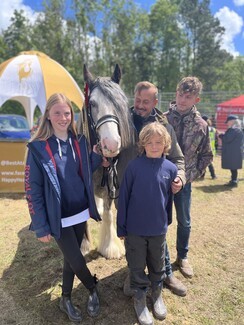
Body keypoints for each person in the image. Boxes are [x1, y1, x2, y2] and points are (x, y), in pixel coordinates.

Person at [24, 93, 107, 322]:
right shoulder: (37, 149)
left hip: (80, 210)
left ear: (72, 115)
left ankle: (66, 297)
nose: (63, 117)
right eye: (57, 113)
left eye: (67, 113)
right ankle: (92, 287)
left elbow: (84, 170)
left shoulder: (79, 141)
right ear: (48, 116)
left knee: (71, 259)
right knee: (76, 258)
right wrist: (41, 226)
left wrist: (98, 158)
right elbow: (33, 190)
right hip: (57, 216)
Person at [123, 81, 187, 297]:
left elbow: (178, 159)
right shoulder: (123, 121)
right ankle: (133, 274)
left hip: (155, 191)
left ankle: (166, 273)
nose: (140, 105)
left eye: (146, 102)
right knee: (132, 236)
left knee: (157, 235)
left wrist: (179, 177)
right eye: (138, 100)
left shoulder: (165, 125)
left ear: (155, 102)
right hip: (129, 189)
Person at [117, 122, 178, 325]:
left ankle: (157, 295)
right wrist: (121, 227)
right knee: (136, 265)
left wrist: (166, 222)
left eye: (158, 142)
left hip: (158, 229)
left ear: (165, 144)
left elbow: (168, 199)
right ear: (142, 144)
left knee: (158, 264)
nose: (154, 146)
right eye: (149, 142)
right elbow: (124, 198)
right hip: (135, 230)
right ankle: (140, 299)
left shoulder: (170, 168)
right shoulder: (134, 167)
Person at [164, 77, 213, 280]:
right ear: (176, 93)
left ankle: (182, 257)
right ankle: (161, 257)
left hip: (185, 184)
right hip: (161, 182)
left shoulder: (201, 125)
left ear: (197, 99)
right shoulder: (163, 120)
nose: (183, 100)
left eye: (188, 97)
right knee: (161, 222)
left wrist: (188, 178)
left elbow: (207, 156)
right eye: (180, 95)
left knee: (184, 221)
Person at [219, 114, 244, 187]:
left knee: (233, 167)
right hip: (234, 152)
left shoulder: (233, 130)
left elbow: (227, 139)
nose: (227, 123)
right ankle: (234, 180)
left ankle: (234, 181)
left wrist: (221, 135)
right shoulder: (237, 129)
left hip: (233, 152)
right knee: (233, 167)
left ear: (232, 121)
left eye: (228, 122)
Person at [201, 115, 217, 179]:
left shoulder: (203, 128)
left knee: (206, 162)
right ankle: (210, 175)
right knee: (208, 162)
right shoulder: (213, 129)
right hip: (212, 148)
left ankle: (212, 175)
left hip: (205, 147)